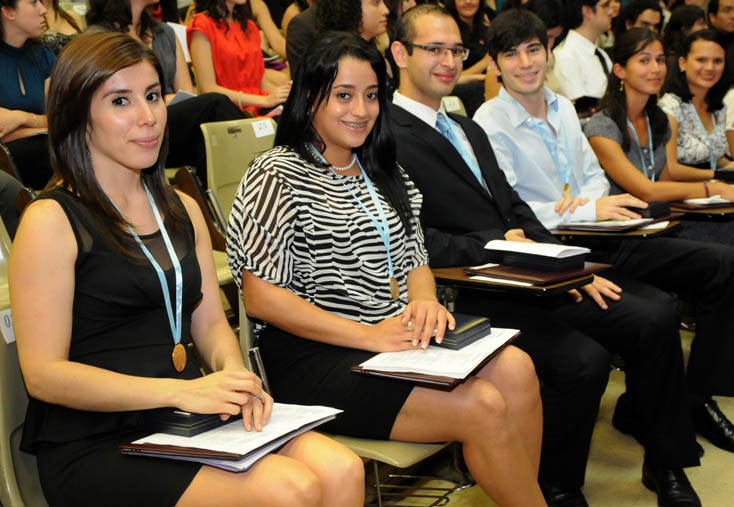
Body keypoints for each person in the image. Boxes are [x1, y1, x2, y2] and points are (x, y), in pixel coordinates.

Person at [10, 31, 363, 506]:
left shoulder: (180, 210)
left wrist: (235, 376)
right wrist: (182, 393)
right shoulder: (51, 219)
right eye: (121, 100)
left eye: (153, 96)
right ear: (79, 115)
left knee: (342, 468)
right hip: (96, 440)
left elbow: (212, 323)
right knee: (290, 489)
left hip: (182, 415)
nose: (148, 116)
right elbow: (45, 375)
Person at [391, 5, 710, 506]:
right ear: (399, 54)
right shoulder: (385, 134)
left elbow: (513, 206)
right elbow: (414, 237)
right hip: (474, 284)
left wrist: (564, 264)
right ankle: (556, 486)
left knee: (653, 316)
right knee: (585, 358)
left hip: (526, 270)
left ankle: (666, 461)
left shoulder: (462, 126)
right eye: (434, 49)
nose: (449, 61)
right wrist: (511, 250)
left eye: (455, 49)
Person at [228, 30, 547, 506]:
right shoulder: (276, 171)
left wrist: (423, 301)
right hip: (316, 352)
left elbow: (416, 256)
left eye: (372, 95)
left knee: (518, 369)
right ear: (309, 97)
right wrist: (370, 336)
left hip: (395, 337)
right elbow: (261, 297)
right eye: (343, 95)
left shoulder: (384, 170)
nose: (361, 110)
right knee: (481, 405)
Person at [474, 6, 734, 480]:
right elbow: (512, 208)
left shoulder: (562, 107)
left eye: (534, 50)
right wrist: (586, 208)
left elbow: (592, 178)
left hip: (602, 233)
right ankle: (667, 462)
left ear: (549, 52)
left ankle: (694, 398)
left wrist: (596, 205)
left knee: (719, 263)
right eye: (511, 55)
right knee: (656, 310)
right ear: (494, 63)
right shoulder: (489, 122)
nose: (526, 62)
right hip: (553, 250)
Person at [585, 28, 734, 245]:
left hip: (662, 220)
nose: (656, 69)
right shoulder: (603, 126)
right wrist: (714, 186)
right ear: (619, 70)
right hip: (622, 234)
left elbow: (666, 180)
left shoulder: (658, 120)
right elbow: (646, 190)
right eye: (644, 61)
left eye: (660, 60)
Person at [87, 0, 247, 184]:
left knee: (211, 135)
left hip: (172, 123)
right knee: (215, 104)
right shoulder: (98, 38)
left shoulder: (164, 32)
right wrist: (156, 99)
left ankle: (213, 201)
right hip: (133, 126)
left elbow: (186, 91)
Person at [0, 0, 54, 190]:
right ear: (8, 12)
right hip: (5, 159)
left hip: (44, 149)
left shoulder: (44, 55)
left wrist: (21, 118)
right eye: (33, 3)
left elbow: (60, 118)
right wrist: (44, 124)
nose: (43, 10)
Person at [187, 0, 292, 116]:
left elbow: (263, 85)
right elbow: (208, 89)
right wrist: (265, 101)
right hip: (227, 110)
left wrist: (285, 93)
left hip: (258, 105)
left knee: (296, 110)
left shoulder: (249, 26)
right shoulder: (201, 25)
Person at [659, 29, 734, 171]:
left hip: (713, 188)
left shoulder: (718, 106)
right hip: (683, 190)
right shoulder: (670, 106)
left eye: (717, 61)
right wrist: (715, 178)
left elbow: (716, 160)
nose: (710, 68)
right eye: (701, 60)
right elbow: (671, 169)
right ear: (682, 63)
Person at [547, 0, 613, 113]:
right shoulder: (566, 55)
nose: (611, 11)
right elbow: (580, 112)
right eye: (605, 5)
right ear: (587, 11)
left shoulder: (601, 54)